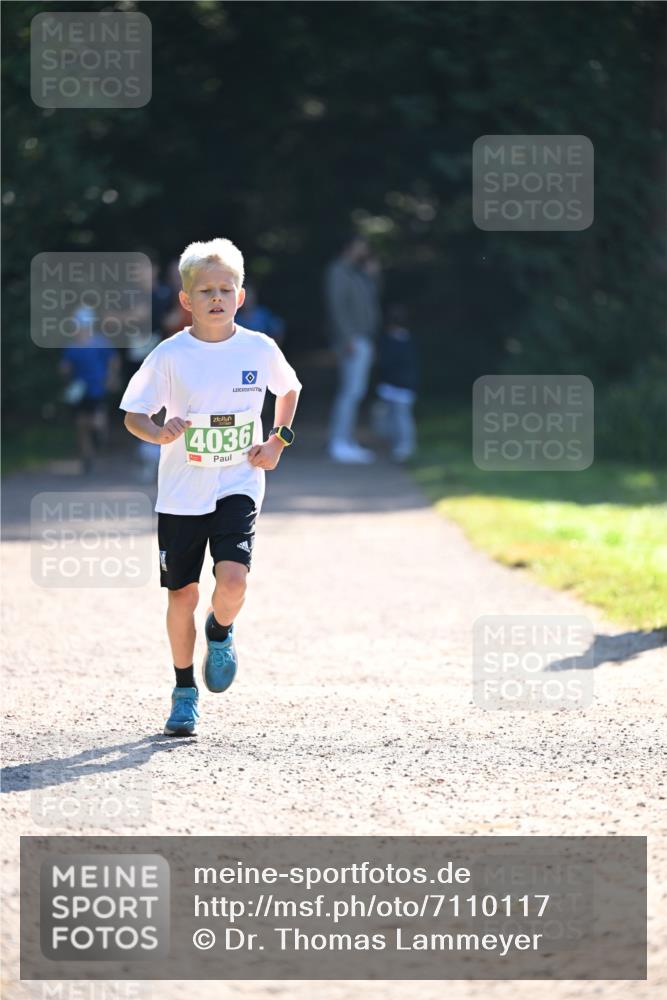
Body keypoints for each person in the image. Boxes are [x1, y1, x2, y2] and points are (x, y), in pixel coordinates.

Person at [120, 238, 301, 737]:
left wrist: (278, 440)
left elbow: (289, 389)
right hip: (182, 490)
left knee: (234, 581)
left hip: (238, 480)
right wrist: (159, 433)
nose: (216, 298)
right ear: (186, 300)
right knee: (182, 594)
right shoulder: (171, 355)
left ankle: (219, 631)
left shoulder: (260, 348)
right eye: (206, 291)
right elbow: (134, 414)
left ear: (241, 296)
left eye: (226, 289)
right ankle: (184, 691)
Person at [324, 236, 380, 464]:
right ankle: (339, 442)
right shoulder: (338, 271)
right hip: (353, 340)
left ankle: (345, 440)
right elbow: (336, 306)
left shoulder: (358, 273)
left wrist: (373, 277)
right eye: (360, 246)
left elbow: (372, 300)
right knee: (350, 392)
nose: (363, 250)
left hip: (362, 338)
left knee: (355, 392)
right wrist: (347, 338)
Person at [59, 305, 120, 474]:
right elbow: (65, 366)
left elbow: (113, 360)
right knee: (80, 424)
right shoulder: (71, 346)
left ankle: (100, 437)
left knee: (96, 420)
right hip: (80, 391)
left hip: (97, 388)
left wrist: (112, 377)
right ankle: (87, 455)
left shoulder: (100, 343)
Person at [371, 304, 419, 462]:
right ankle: (396, 446)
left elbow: (383, 363)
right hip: (396, 387)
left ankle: (404, 447)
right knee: (393, 417)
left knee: (399, 417)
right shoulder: (408, 342)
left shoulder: (392, 343)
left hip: (397, 387)